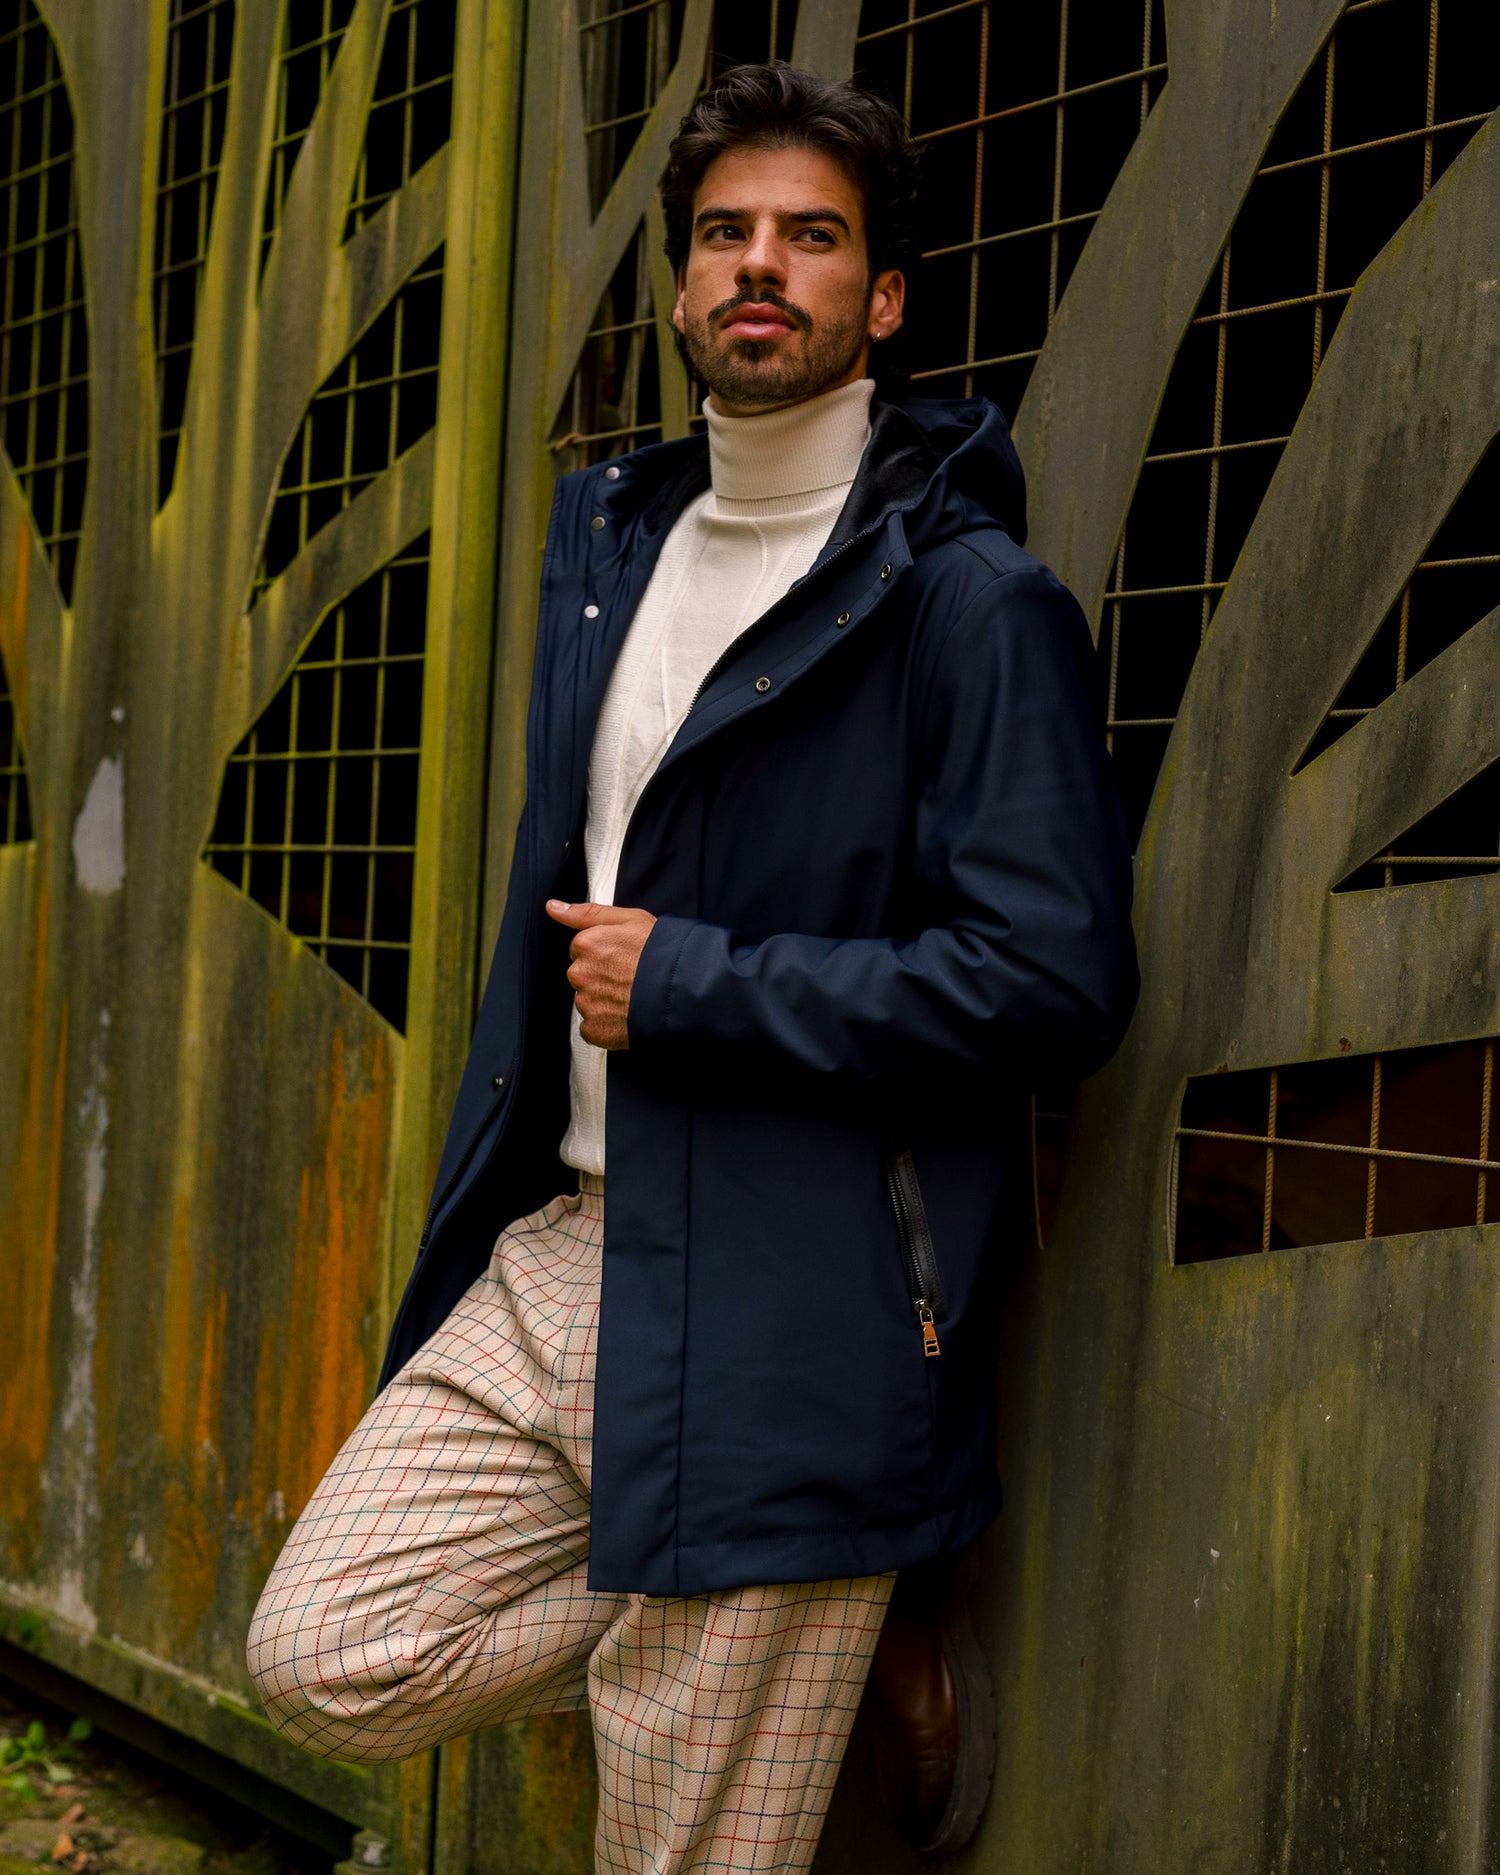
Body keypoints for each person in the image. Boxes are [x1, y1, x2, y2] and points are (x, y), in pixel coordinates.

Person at [247, 62, 1138, 1873]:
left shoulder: (971, 604)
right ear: (679, 288)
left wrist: (702, 985)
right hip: (574, 1250)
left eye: (813, 237)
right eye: (726, 233)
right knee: (327, 1650)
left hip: (801, 1297)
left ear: (882, 299)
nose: (762, 266)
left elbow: (1054, 981)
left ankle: (827, 1577)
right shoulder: (612, 551)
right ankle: (844, 1593)